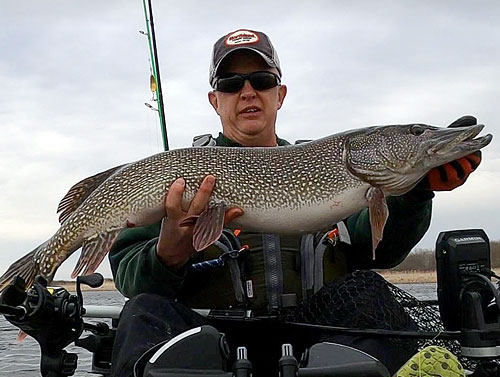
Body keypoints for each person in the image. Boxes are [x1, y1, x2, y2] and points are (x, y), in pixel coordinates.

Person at [108, 29, 482, 377]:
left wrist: (414, 192)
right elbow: (129, 276)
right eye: (231, 83)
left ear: (280, 94)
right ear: (214, 100)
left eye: (262, 80)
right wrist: (169, 252)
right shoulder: (178, 173)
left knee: (368, 292)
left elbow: (379, 252)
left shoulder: (332, 169)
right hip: (210, 339)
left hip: (319, 335)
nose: (249, 91)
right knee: (143, 312)